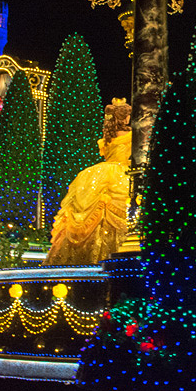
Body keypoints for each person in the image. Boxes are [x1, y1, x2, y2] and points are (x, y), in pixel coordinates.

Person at [44, 99, 132, 266]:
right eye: (127, 115)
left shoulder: (107, 136)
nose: (129, 118)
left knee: (85, 212)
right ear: (124, 118)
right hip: (121, 173)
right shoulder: (131, 135)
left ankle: (83, 260)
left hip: (100, 173)